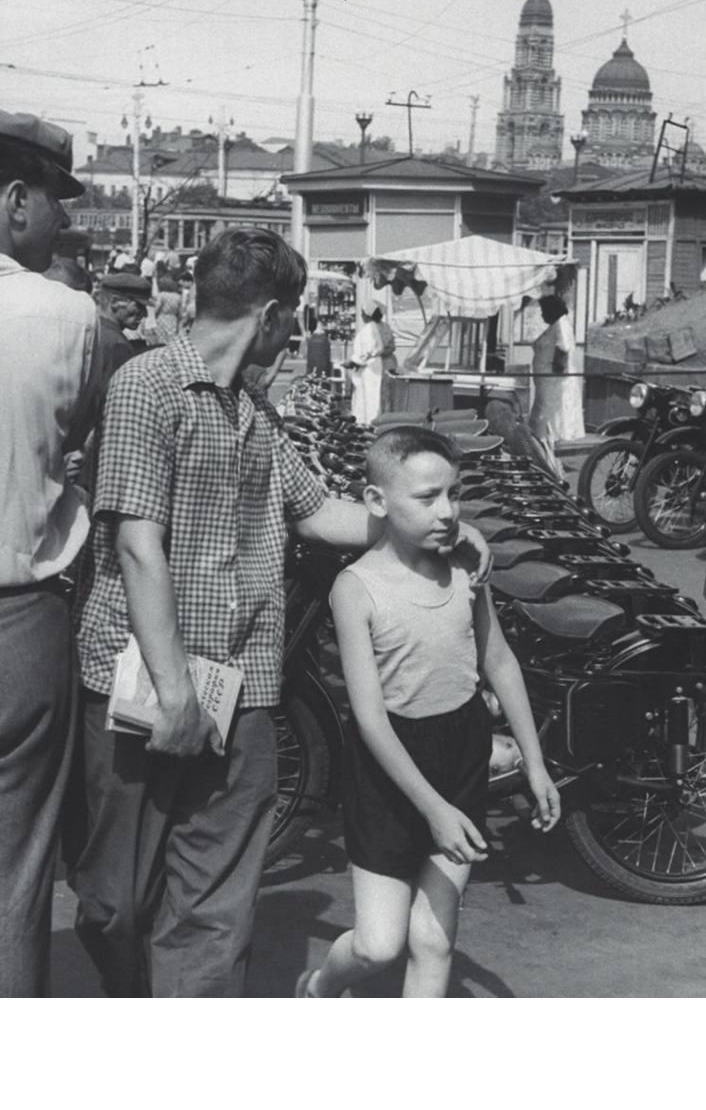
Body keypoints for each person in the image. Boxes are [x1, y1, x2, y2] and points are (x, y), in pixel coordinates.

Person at [68, 227, 492, 998]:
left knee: (214, 911)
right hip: (142, 692)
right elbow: (137, 546)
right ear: (269, 315)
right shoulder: (145, 387)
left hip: (244, 691)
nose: (293, 332)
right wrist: (176, 692)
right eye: (291, 316)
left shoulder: (252, 410)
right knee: (113, 904)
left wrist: (434, 527)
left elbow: (319, 511)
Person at [296, 427, 561, 999]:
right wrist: (434, 810)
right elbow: (370, 718)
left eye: (453, 494)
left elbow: (499, 662)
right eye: (426, 497)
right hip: (387, 770)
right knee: (378, 945)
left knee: (434, 941)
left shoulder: (466, 568)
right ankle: (318, 988)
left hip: (459, 752)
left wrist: (535, 763)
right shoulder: (356, 588)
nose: (446, 511)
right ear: (376, 501)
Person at [0, 109, 100, 996]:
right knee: (17, 868)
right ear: (15, 201)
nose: (63, 219)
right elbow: (79, 441)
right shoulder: (67, 314)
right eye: (55, 199)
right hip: (19, 623)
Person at [528, 293, 585, 444]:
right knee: (545, 414)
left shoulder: (561, 324)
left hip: (554, 382)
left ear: (551, 310)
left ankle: (549, 442)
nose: (542, 315)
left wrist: (556, 370)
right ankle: (544, 442)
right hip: (546, 382)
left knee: (551, 414)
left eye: (543, 311)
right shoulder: (555, 326)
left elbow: (563, 348)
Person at [96, 271, 153, 391]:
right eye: (139, 306)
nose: (145, 314)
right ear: (115, 302)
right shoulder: (117, 344)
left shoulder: (94, 329)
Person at [347, 303, 385, 425]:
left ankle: (369, 422)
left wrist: (354, 362)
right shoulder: (373, 327)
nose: (361, 315)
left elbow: (367, 352)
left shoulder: (370, 329)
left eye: (363, 313)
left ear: (368, 314)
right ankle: (366, 421)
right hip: (370, 366)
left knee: (370, 397)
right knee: (367, 396)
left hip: (370, 368)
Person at [152, 271, 183, 344]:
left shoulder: (161, 295)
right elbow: (180, 313)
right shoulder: (178, 296)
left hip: (162, 319)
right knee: (172, 340)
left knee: (161, 341)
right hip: (173, 319)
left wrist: (153, 317)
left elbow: (157, 309)